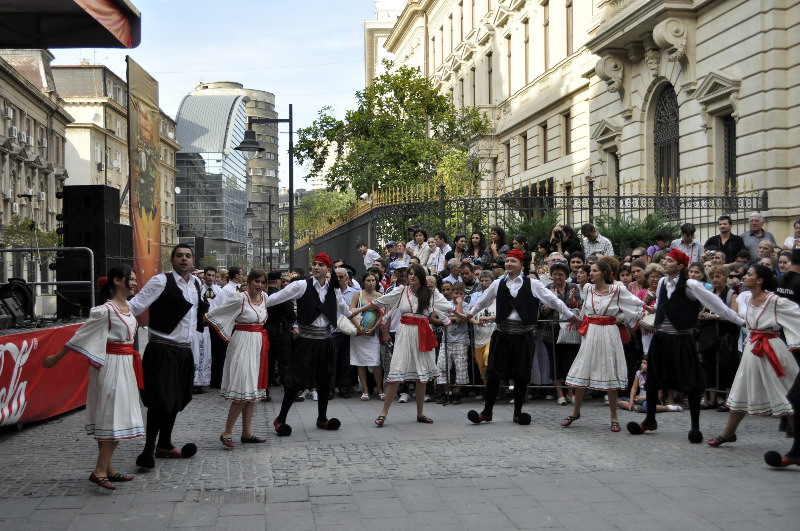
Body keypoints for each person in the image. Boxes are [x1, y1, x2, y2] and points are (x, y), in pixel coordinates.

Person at [627, 249, 744, 443]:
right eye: (665, 259)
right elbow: (667, 305)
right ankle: (649, 420)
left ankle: (695, 428)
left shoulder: (691, 284)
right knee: (653, 379)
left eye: (670, 260)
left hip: (682, 339)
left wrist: (740, 321)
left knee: (691, 383)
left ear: (681, 266)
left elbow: (715, 304)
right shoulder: (663, 282)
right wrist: (652, 308)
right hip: (662, 338)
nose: (665, 262)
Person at [43, 266, 144, 490]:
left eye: (136, 279)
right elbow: (81, 335)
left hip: (125, 365)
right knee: (114, 417)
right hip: (111, 365)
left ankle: (108, 469)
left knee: (114, 415)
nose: (135, 283)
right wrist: (57, 358)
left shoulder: (127, 307)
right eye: (132, 279)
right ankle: (99, 471)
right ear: (117, 281)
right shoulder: (105, 310)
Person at [463, 250, 580, 426]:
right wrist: (469, 314)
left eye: (513, 261)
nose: (508, 264)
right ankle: (487, 412)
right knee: (493, 373)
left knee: (522, 375)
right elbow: (482, 302)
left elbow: (553, 301)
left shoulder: (533, 284)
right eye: (507, 261)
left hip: (523, 336)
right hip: (502, 334)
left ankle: (518, 413)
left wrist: (570, 315)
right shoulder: (497, 284)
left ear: (521, 265)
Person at [128, 244, 204, 468]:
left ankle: (165, 443)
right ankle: (148, 449)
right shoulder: (160, 281)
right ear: (171, 260)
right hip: (161, 349)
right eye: (179, 256)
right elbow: (135, 306)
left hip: (184, 350)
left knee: (177, 399)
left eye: (188, 256)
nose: (184, 259)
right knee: (160, 400)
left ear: (192, 261)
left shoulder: (197, 284)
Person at [707, 265, 800, 447]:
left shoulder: (775, 301)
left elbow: (796, 316)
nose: (744, 277)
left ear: (760, 280)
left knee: (787, 393)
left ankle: (798, 441)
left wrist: (795, 342)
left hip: (772, 350)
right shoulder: (747, 299)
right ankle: (729, 433)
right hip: (753, 349)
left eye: (749, 274)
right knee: (741, 389)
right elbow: (741, 320)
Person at [352, 263, 455, 426]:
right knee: (396, 374)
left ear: (421, 276)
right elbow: (381, 301)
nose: (411, 276)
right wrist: (357, 311)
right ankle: (383, 413)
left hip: (423, 333)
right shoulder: (401, 290)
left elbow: (448, 306)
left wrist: (466, 315)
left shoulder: (430, 292)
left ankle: (420, 413)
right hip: (405, 333)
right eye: (410, 273)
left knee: (422, 378)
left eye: (414, 274)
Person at [266, 253, 354, 436]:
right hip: (306, 342)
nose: (315, 267)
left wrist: (371, 307)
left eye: (320, 265)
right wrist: (255, 303)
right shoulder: (301, 285)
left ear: (327, 269)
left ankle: (322, 418)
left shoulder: (333, 289)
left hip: (326, 341)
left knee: (325, 381)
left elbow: (345, 310)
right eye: (314, 264)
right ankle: (280, 419)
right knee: (295, 381)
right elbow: (277, 298)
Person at [561, 260, 645, 432]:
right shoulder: (588, 289)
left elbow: (635, 303)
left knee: (610, 373)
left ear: (604, 273)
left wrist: (647, 309)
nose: (590, 273)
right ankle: (575, 412)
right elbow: (585, 310)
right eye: (590, 270)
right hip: (591, 333)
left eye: (595, 271)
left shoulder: (617, 290)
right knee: (583, 371)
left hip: (609, 333)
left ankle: (614, 417)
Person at [204, 269, 270, 447]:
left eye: (263, 282)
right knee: (242, 389)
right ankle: (227, 432)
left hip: (258, 345)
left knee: (252, 392)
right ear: (249, 282)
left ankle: (247, 433)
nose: (259, 285)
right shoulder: (240, 298)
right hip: (242, 343)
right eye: (256, 281)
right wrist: (204, 318)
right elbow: (220, 312)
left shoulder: (264, 298)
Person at [697, 265, 740, 412]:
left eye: (718, 276)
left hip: (726, 336)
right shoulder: (710, 292)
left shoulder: (731, 294)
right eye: (713, 277)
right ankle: (712, 399)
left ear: (726, 277)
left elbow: (734, 313)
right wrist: (702, 315)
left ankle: (727, 400)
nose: (715, 279)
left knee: (727, 366)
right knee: (709, 365)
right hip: (710, 336)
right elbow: (703, 310)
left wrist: (715, 316)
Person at [540, 261, 581, 406]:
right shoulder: (546, 288)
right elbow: (543, 311)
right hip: (551, 331)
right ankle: (559, 393)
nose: (557, 277)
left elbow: (579, 307)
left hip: (570, 331)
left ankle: (571, 392)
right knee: (555, 362)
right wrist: (553, 300)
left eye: (561, 274)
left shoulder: (573, 287)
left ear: (566, 275)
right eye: (555, 274)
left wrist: (572, 302)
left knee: (570, 362)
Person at [349, 271, 384, 400]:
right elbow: (350, 312)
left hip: (373, 334)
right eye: (368, 280)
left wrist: (374, 328)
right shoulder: (358, 294)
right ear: (363, 282)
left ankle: (380, 390)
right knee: (360, 362)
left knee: (376, 362)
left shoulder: (380, 295)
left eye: (373, 280)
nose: (371, 283)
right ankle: (365, 390)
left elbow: (382, 315)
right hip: (358, 333)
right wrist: (359, 328)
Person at [436, 282, 470, 404]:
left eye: (461, 294)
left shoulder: (465, 305)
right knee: (442, 366)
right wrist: (452, 318)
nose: (458, 296)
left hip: (461, 340)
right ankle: (447, 391)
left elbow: (461, 319)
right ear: (452, 293)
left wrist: (459, 303)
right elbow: (441, 318)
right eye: (456, 293)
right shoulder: (447, 305)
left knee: (460, 367)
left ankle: (457, 392)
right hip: (447, 340)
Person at [264, 270, 295, 392]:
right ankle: (288, 390)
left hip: (266, 331)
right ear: (278, 281)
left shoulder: (263, 296)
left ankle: (264, 390)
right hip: (281, 332)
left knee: (267, 362)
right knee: (284, 363)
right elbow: (291, 315)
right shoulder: (282, 296)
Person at [617, 357, 683, 413]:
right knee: (617, 400)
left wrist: (645, 398)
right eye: (642, 362)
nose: (642, 365)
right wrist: (631, 402)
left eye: (645, 363)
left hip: (652, 399)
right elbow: (634, 388)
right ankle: (635, 407)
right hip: (640, 400)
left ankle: (666, 408)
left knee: (646, 406)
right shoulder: (639, 373)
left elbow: (659, 395)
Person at [468, 271, 497, 394]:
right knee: (482, 367)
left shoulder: (498, 296)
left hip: (493, 335)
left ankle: (495, 389)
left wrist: (488, 318)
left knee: (488, 359)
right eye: (482, 280)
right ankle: (489, 393)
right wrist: (476, 322)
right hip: (479, 336)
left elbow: (503, 314)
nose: (483, 283)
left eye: (486, 280)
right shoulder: (475, 296)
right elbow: (469, 314)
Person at [200, 266, 228, 390]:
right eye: (208, 275)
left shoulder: (220, 291)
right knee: (204, 351)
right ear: (204, 276)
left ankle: (216, 380)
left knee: (217, 353)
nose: (210, 278)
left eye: (213, 275)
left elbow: (223, 307)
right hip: (203, 325)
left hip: (216, 325)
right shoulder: (199, 290)